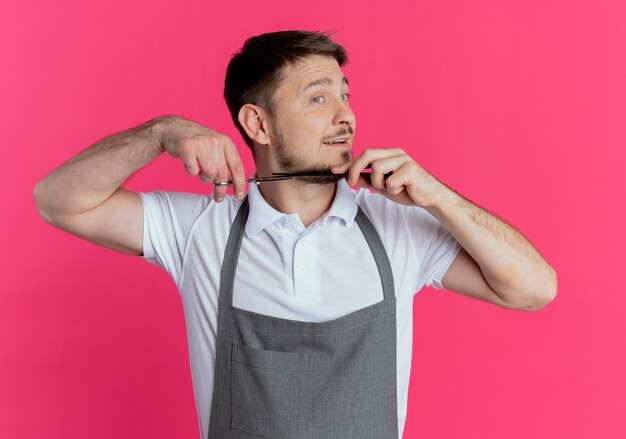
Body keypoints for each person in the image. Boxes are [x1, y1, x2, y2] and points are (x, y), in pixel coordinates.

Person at [33, 30, 557, 439]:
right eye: (317, 98)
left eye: (345, 95)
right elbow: (56, 201)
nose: (346, 115)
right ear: (257, 125)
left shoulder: (399, 228)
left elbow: (535, 289)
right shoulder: (199, 229)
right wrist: (161, 132)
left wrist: (439, 196)